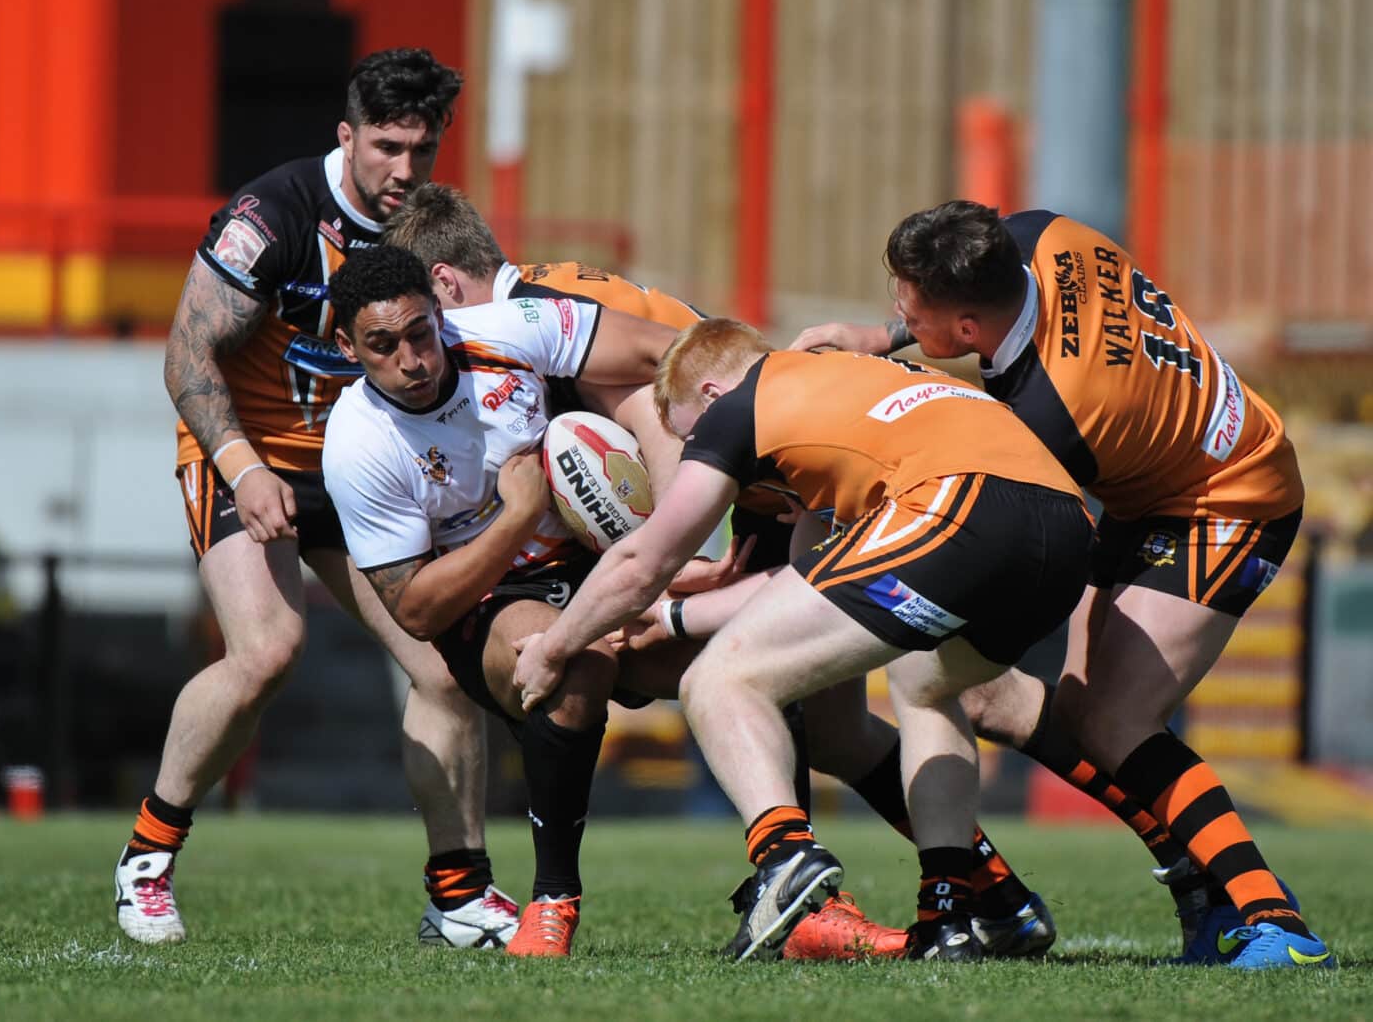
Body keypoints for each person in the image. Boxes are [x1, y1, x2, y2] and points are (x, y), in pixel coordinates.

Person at [384, 185, 1059, 960]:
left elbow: (656, 388)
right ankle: (993, 892)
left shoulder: (523, 316)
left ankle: (806, 894)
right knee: (832, 724)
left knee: (742, 682)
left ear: (443, 283)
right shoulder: (549, 288)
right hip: (780, 478)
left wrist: (673, 560)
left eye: (425, 316)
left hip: (767, 484)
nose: (428, 342)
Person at [791, 200, 1335, 970]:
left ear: (969, 330)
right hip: (1157, 474)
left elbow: (1007, 509)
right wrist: (882, 340)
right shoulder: (1035, 233)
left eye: (907, 307)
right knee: (1080, 713)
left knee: (1118, 719)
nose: (897, 312)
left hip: (1231, 495)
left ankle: (1276, 920)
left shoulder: (1055, 412)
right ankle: (1200, 887)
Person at [515, 318, 1094, 961]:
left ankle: (783, 854)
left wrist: (555, 645)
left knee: (720, 681)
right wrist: (672, 620)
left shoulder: (739, 408)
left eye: (690, 438)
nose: (699, 452)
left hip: (963, 512)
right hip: (1064, 532)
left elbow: (641, 564)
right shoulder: (848, 389)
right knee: (926, 687)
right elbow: (806, 584)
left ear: (711, 395)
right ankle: (962, 911)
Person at [112, 49, 517, 952]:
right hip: (242, 450)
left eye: (424, 148)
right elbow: (186, 356)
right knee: (269, 648)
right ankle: (148, 856)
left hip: (357, 467)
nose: (404, 171)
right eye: (386, 147)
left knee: (441, 669)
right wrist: (245, 468)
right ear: (347, 136)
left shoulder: (428, 228)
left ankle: (459, 897)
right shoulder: (275, 212)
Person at [322, 244, 698, 956]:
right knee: (570, 666)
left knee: (746, 656)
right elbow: (419, 610)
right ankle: (553, 901)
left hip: (599, 560)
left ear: (439, 312)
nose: (412, 358)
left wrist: (674, 525)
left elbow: (665, 356)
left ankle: (838, 878)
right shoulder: (356, 443)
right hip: (488, 600)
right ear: (346, 346)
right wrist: (517, 515)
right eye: (382, 345)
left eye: (420, 333)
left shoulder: (510, 328)